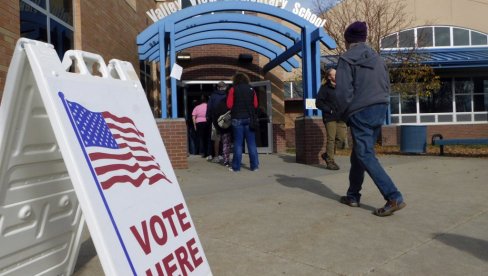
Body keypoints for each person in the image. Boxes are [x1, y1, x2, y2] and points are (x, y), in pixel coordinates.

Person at [334, 21, 406, 217]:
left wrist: (342, 113)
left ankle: (394, 196)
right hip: (379, 107)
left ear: (348, 40)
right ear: (364, 38)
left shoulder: (346, 59)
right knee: (359, 152)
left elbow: (342, 92)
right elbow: (386, 85)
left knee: (365, 154)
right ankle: (353, 195)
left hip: (360, 110)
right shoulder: (378, 59)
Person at [226, 72, 259, 172]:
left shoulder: (233, 89)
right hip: (249, 118)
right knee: (252, 144)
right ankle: (254, 166)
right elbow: (256, 105)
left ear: (235, 80)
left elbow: (229, 105)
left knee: (238, 143)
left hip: (237, 118)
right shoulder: (251, 89)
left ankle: (236, 167)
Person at [315, 68, 347, 170]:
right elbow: (318, 103)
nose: (337, 76)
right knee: (331, 139)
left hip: (341, 117)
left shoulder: (341, 87)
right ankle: (330, 162)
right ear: (329, 77)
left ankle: (326, 155)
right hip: (330, 117)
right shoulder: (325, 88)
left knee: (341, 140)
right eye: (334, 75)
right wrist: (329, 110)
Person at [206, 81, 228, 163]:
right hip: (226, 119)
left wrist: (208, 116)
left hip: (215, 119)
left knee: (216, 138)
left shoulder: (213, 96)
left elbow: (209, 107)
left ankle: (216, 156)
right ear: (224, 87)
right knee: (225, 138)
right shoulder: (227, 95)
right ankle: (224, 156)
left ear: (218, 87)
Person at [192, 94, 210, 159]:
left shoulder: (197, 107)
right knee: (207, 138)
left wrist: (194, 125)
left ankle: (201, 152)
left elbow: (193, 116)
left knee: (201, 138)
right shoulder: (208, 106)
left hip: (199, 123)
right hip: (207, 122)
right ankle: (208, 152)